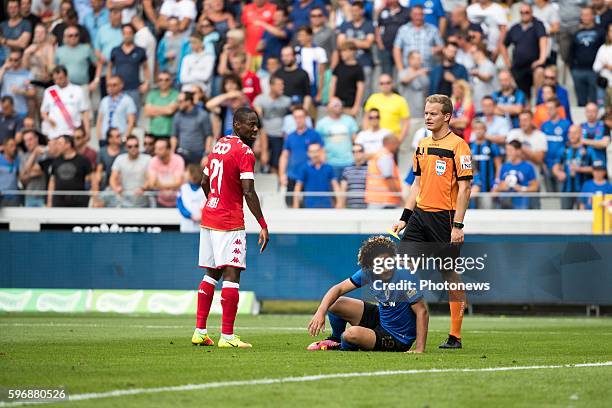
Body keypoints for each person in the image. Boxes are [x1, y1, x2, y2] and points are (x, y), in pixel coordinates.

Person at [391, 94, 472, 349]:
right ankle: (401, 329)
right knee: (402, 270)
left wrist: (457, 226)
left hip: (445, 218)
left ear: (447, 116)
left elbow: (465, 188)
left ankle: (455, 335)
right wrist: (405, 217)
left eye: (433, 113)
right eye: (426, 113)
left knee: (449, 275)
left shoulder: (459, 146)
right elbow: (417, 184)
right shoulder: (422, 145)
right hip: (420, 217)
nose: (428, 117)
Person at [193, 107, 269, 349]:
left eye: (257, 124)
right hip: (229, 220)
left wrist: (214, 200)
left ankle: (200, 331)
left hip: (210, 216)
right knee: (232, 273)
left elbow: (204, 181)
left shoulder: (219, 144)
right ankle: (227, 336)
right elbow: (248, 190)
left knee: (211, 272)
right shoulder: (244, 151)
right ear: (237, 125)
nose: (255, 128)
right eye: (250, 124)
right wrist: (263, 224)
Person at [306, 235, 429, 353]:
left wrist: (419, 348)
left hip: (397, 336)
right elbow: (338, 289)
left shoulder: (404, 275)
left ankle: (343, 346)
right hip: (382, 319)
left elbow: (422, 311)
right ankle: (335, 339)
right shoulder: (367, 272)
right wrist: (320, 311)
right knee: (335, 303)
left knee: (350, 335)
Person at [500, 2, 547, 100]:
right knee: (523, 95)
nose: (524, 14)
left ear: (531, 12)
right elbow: (503, 44)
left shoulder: (538, 25)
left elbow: (543, 40)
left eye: (527, 12)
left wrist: (542, 59)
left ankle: (539, 101)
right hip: (519, 66)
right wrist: (507, 62)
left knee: (539, 72)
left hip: (534, 64)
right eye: (522, 12)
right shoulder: (515, 28)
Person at [279, 107, 324, 207]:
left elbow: (322, 153)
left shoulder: (314, 134)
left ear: (306, 118)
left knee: (309, 206)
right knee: (290, 205)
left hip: (310, 176)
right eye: (296, 117)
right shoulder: (290, 136)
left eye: (301, 117)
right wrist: (282, 174)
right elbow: (284, 156)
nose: (298, 120)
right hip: (293, 176)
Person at [108, 23, 150, 116]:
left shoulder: (140, 51)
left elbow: (146, 67)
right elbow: (110, 67)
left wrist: (146, 82)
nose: (127, 35)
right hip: (118, 89)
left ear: (133, 34)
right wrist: (109, 83)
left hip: (134, 88)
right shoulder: (115, 50)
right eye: (125, 33)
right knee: (118, 114)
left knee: (134, 114)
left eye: (129, 33)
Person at [40, 65, 90, 140]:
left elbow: (84, 112)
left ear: (66, 76)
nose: (58, 81)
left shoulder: (78, 90)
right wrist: (48, 120)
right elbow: (43, 111)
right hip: (55, 133)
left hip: (72, 132)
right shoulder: (49, 91)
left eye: (61, 78)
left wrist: (87, 131)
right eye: (55, 79)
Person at [336, 1, 375, 97]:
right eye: (352, 11)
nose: (354, 13)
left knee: (365, 91)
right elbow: (340, 44)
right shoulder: (345, 25)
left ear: (362, 11)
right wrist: (359, 42)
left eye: (356, 10)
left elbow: (368, 44)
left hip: (364, 62)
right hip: (348, 64)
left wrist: (350, 41)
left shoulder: (369, 25)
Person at [253, 75, 291, 173]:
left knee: (275, 163)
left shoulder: (287, 101)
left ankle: (273, 181)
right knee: (257, 150)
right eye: (279, 85)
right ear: (271, 86)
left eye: (283, 84)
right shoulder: (260, 99)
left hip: (279, 135)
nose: (282, 87)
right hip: (263, 133)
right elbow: (257, 118)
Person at [569, 7, 605, 107]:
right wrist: (572, 68)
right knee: (581, 102)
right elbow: (571, 52)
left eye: (587, 14)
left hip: (594, 71)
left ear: (593, 16)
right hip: (578, 70)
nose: (584, 17)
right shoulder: (576, 33)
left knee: (595, 102)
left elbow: (603, 49)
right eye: (582, 15)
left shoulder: (600, 32)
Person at [315, 97, 358, 179]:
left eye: (340, 105)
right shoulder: (321, 124)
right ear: (329, 108)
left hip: (349, 161)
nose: (339, 107)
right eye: (336, 105)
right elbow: (318, 144)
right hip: (330, 162)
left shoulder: (349, 120)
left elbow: (355, 140)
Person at [553, 124, 594, 209]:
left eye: (575, 133)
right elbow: (556, 165)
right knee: (565, 216)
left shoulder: (588, 149)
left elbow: (596, 169)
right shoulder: (564, 149)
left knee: (582, 216)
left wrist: (580, 169)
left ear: (580, 134)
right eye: (570, 133)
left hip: (583, 189)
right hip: (566, 189)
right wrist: (558, 173)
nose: (572, 135)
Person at [55, 26, 100, 101]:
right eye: (70, 35)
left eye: (76, 35)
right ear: (65, 37)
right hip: (64, 87)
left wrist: (96, 81)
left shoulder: (86, 48)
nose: (73, 37)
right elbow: (55, 69)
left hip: (82, 87)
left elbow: (98, 64)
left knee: (85, 111)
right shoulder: (59, 51)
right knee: (66, 112)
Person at [46, 134, 93, 207]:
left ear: (68, 144)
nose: (57, 146)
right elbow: (52, 181)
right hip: (59, 201)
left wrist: (94, 198)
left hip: (78, 201)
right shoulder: (56, 161)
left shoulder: (83, 160)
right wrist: (49, 201)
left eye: (59, 144)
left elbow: (93, 179)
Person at [393, 5, 443, 71]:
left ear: (424, 15)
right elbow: (396, 49)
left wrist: (435, 49)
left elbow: (441, 46)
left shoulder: (432, 29)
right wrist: (401, 70)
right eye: (415, 14)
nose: (418, 17)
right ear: (411, 15)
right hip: (408, 72)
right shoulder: (403, 29)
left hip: (427, 70)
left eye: (420, 14)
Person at [363, 74, 410, 143]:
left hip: (392, 139)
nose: (385, 85)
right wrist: (367, 135)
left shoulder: (400, 100)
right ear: (379, 85)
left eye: (388, 82)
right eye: (382, 83)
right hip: (374, 139)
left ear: (392, 84)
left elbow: (406, 123)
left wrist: (399, 141)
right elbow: (366, 118)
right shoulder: (373, 98)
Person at [493, 139, 539, 209]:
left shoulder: (528, 167)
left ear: (518, 151)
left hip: (522, 203)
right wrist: (503, 187)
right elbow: (500, 184)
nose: (508, 153)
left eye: (511, 150)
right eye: (507, 150)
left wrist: (522, 189)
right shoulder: (504, 166)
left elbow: (535, 187)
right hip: (506, 203)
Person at [293, 142, 340, 209]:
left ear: (321, 152)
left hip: (326, 205)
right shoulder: (304, 168)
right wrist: (296, 204)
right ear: (308, 153)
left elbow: (335, 185)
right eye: (312, 152)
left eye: (317, 151)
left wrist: (339, 202)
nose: (315, 154)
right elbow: (298, 187)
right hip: (309, 206)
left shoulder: (328, 168)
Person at [109, 134, 151, 208]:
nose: (133, 148)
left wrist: (143, 188)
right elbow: (112, 178)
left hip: (143, 202)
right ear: (126, 147)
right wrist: (116, 188)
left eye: (136, 146)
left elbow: (150, 178)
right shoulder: (120, 159)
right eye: (130, 146)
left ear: (139, 146)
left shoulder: (147, 159)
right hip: (124, 202)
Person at [172, 91, 213, 165]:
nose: (178, 104)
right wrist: (172, 153)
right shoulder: (177, 115)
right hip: (181, 153)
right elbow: (174, 135)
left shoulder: (202, 115)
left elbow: (209, 136)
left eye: (180, 101)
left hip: (198, 154)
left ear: (188, 102)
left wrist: (206, 155)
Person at [541, 97, 571, 191]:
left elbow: (568, 144)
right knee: (550, 197)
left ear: (558, 109)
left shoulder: (566, 124)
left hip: (560, 166)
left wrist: (561, 163)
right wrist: (543, 163)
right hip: (546, 165)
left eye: (551, 108)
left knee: (561, 194)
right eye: (547, 109)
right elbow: (542, 146)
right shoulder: (544, 125)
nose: (548, 111)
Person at [96, 75, 137, 145]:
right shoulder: (104, 100)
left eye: (114, 85)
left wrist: (124, 138)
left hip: (120, 137)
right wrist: (99, 135)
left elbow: (131, 122)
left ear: (121, 85)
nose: (110, 88)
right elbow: (100, 119)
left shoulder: (127, 100)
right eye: (108, 85)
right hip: (105, 137)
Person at [365, 135, 402, 209]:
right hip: (385, 201)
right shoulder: (386, 157)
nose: (398, 146)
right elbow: (389, 180)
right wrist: (398, 196)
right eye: (396, 143)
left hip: (375, 199)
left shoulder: (378, 154)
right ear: (389, 143)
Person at [147, 138, 185, 208]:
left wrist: (160, 184)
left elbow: (178, 183)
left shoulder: (178, 160)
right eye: (156, 148)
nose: (156, 151)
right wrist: (171, 186)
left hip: (178, 201)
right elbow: (152, 184)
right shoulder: (153, 161)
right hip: (160, 202)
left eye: (160, 149)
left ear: (168, 150)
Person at [329, 41, 364, 117]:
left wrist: (356, 106)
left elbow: (360, 88)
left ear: (352, 51)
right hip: (336, 104)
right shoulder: (338, 67)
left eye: (345, 51)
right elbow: (333, 84)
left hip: (350, 105)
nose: (342, 53)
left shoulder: (358, 69)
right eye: (341, 51)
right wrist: (331, 100)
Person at [376, 0, 410, 75]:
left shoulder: (406, 11)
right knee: (386, 73)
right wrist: (380, 44)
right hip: (386, 47)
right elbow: (378, 27)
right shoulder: (384, 11)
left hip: (402, 49)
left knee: (402, 73)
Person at [295, 26, 327, 104]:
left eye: (302, 36)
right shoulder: (296, 50)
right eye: (299, 36)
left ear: (310, 36)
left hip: (312, 86)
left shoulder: (319, 51)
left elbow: (322, 74)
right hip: (298, 85)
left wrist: (320, 93)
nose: (299, 38)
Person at [241, 0, 276, 71]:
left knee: (264, 75)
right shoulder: (247, 8)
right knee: (250, 76)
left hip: (266, 51)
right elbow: (244, 27)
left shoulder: (273, 8)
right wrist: (244, 44)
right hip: (250, 51)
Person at [144, 72, 180, 139]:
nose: (163, 82)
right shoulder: (152, 94)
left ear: (171, 81)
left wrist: (153, 108)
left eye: (166, 80)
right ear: (157, 81)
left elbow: (170, 111)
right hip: (153, 132)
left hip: (169, 133)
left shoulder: (176, 94)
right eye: (160, 80)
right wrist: (165, 108)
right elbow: (146, 112)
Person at [0, 49, 35, 119]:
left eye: (16, 60)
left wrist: (20, 91)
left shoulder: (28, 74)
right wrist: (3, 68)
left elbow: (32, 93)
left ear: (20, 60)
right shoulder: (4, 72)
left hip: (20, 110)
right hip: (4, 110)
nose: (13, 62)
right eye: (11, 59)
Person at [275, 46, 312, 110]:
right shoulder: (278, 73)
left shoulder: (303, 74)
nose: (285, 58)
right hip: (281, 109)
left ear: (294, 56)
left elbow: (307, 95)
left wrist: (304, 111)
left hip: (298, 109)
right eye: (283, 56)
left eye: (287, 55)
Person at [470, 119, 502, 194]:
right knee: (473, 205)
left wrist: (496, 183)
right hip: (473, 186)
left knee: (487, 205)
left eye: (481, 128)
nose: (478, 131)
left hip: (489, 185)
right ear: (473, 130)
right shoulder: (469, 146)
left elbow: (498, 165)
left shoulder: (492, 145)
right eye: (476, 129)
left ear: (485, 130)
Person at [255, 7, 291, 72]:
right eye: (275, 16)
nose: (275, 18)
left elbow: (280, 34)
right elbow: (258, 48)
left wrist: (263, 24)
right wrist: (260, 46)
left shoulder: (287, 30)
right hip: (265, 67)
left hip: (279, 68)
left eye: (279, 16)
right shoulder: (267, 31)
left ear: (285, 18)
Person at [18, 129, 46, 207]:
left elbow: (42, 171)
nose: (28, 143)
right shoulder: (24, 156)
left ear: (36, 139)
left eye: (30, 139)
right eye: (25, 141)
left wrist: (27, 172)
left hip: (44, 196)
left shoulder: (45, 152)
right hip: (29, 196)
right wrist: (34, 153)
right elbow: (21, 178)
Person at [398, 51, 429, 119]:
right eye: (418, 59)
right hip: (407, 114)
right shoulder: (403, 73)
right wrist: (418, 73)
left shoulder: (423, 75)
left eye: (420, 59)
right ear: (410, 60)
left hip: (422, 114)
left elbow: (426, 93)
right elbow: (404, 80)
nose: (420, 61)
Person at [0, 0, 32, 65]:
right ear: (7, 9)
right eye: (10, 8)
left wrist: (4, 41)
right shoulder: (2, 25)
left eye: (15, 7)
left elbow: (22, 44)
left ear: (19, 8)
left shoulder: (26, 24)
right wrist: (15, 42)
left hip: (18, 59)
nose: (13, 10)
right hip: (2, 57)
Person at [469, 43, 497, 113]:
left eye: (473, 53)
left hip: (489, 107)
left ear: (480, 52)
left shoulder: (489, 64)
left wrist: (477, 75)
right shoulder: (474, 67)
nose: (471, 55)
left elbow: (487, 78)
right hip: (477, 107)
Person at [177, 163, 205, 232]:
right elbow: (180, 206)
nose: (184, 173)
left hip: (202, 223)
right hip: (186, 224)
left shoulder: (205, 189)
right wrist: (190, 215)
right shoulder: (183, 188)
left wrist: (202, 216)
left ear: (193, 174)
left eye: (186, 171)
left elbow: (207, 204)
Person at [339, 143, 368, 209]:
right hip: (351, 208)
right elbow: (343, 189)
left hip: (367, 208)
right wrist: (341, 206)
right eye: (353, 152)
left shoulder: (370, 169)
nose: (356, 153)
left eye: (359, 151)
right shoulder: (347, 170)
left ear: (364, 152)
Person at [0, 137, 20, 206]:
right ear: (4, 147)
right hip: (1, 198)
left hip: (14, 198)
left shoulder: (17, 160)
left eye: (15, 146)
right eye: (11, 145)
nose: (14, 148)